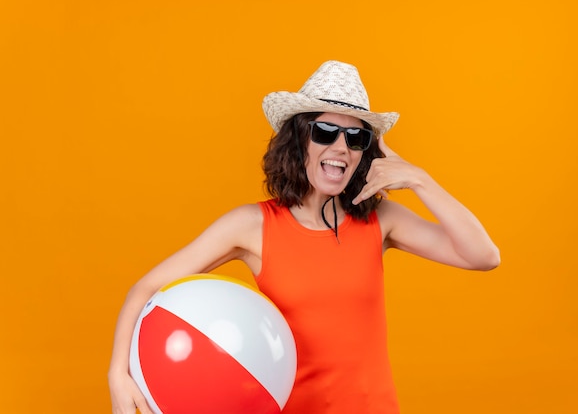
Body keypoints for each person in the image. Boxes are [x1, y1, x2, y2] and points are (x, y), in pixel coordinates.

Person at [108, 60, 500, 414]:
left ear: (366, 153)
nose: (340, 147)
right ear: (299, 140)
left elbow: (484, 256)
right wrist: (118, 374)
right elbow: (147, 288)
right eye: (325, 132)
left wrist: (420, 179)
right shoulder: (253, 226)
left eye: (356, 138)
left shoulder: (381, 219)